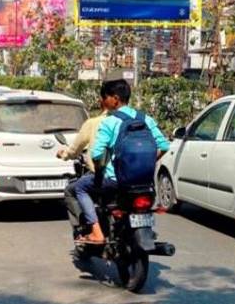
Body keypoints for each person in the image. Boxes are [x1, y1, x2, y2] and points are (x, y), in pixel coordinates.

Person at [74, 79, 170, 245]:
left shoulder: (109, 122)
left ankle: (96, 232)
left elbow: (96, 154)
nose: (103, 101)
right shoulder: (146, 119)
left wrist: (99, 172)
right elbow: (164, 145)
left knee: (80, 187)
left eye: (105, 97)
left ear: (115, 99)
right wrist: (146, 163)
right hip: (144, 183)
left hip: (115, 181)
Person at [56, 96, 110, 238]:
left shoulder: (95, 123)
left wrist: (64, 154)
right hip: (135, 178)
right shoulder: (138, 120)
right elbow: (162, 145)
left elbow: (78, 150)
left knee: (73, 189)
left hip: (106, 177)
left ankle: (90, 228)